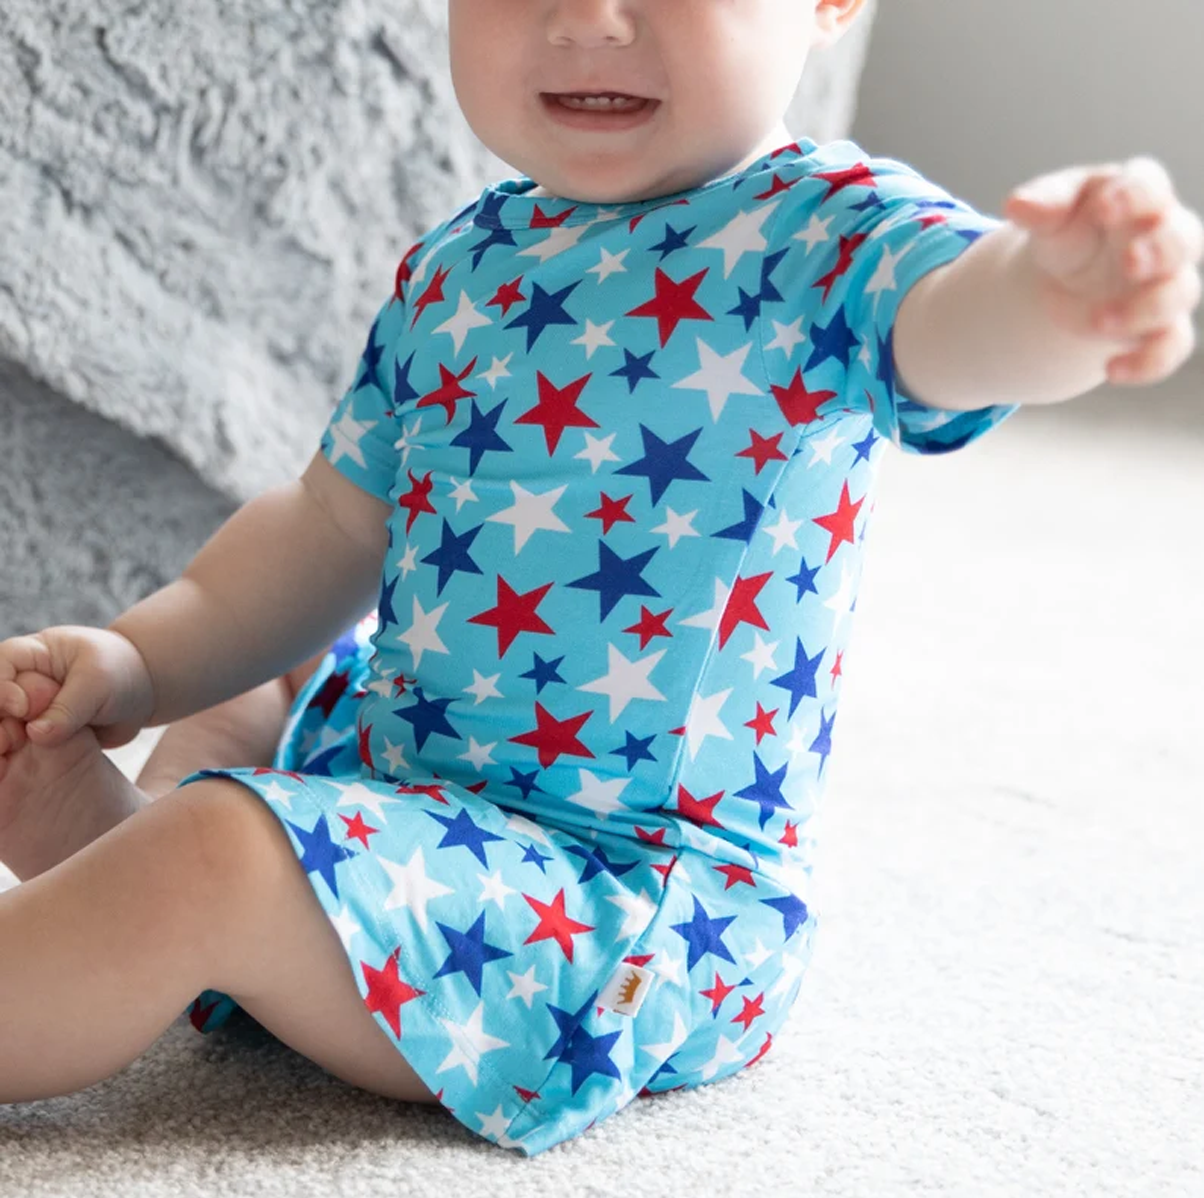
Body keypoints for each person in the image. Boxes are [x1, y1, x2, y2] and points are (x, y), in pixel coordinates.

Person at [0, 0, 1200, 1157]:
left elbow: (958, 323)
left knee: (224, 846)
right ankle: (121, 869)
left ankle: (147, 906)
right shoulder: (462, 265)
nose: (589, 16)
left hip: (619, 909)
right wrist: (143, 663)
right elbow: (324, 526)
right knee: (270, 685)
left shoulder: (830, 236)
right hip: (410, 787)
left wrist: (1057, 299)